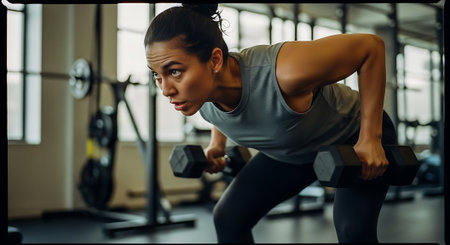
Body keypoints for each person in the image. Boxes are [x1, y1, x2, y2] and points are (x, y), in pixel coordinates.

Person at [144, 4, 397, 243]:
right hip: (294, 151)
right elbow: (225, 110)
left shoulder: (283, 72)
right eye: (157, 75)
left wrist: (370, 139)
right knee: (229, 217)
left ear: (215, 61)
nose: (165, 89)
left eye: (174, 71)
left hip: (352, 134)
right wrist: (216, 144)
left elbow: (370, 47)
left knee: (353, 231)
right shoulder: (199, 95)